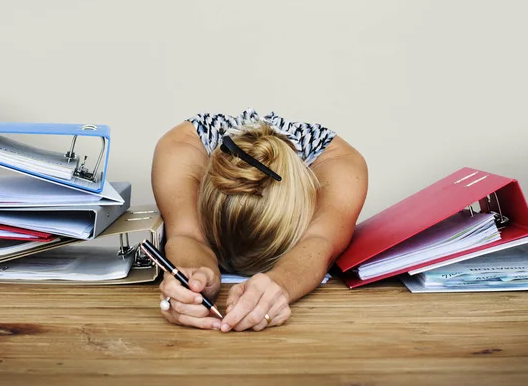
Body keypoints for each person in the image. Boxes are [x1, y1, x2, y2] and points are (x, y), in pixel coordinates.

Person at [151, 108, 367, 333]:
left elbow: (319, 242)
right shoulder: (177, 149)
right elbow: (188, 234)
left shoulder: (344, 167)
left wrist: (281, 283)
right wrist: (194, 273)